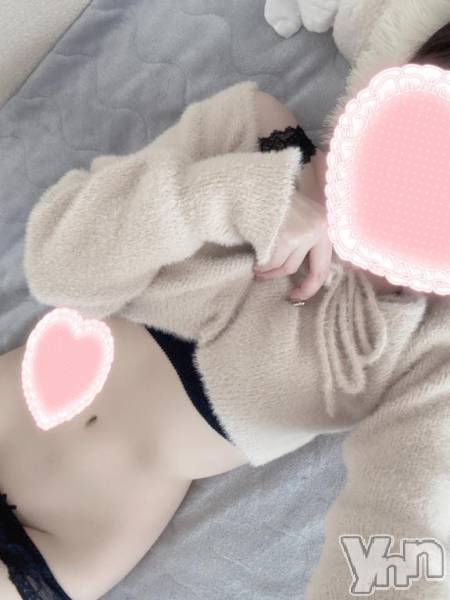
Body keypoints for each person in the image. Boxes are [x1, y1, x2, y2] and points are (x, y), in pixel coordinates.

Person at [1, 9, 450, 600]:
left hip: (72, 538)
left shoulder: (423, 353)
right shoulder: (254, 130)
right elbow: (59, 261)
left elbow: (407, 525)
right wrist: (242, 199)